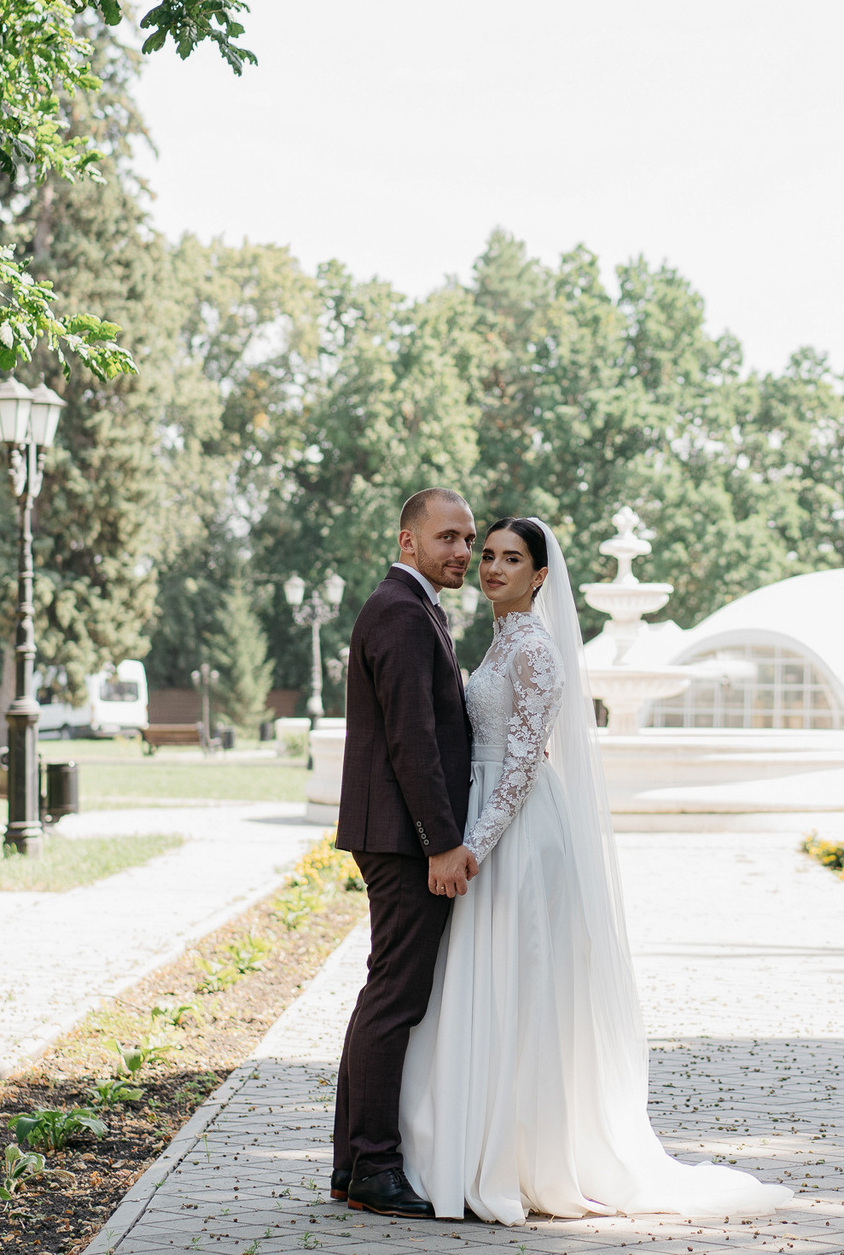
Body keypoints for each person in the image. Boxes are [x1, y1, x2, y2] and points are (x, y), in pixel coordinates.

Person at [395, 515, 793, 1224]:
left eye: (510, 559)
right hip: (487, 818)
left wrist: (474, 848)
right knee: (483, 980)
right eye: (485, 556)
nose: (490, 568)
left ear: (540, 575)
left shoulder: (537, 652)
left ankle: (525, 1157)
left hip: (515, 833)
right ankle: (475, 1142)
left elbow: (520, 766)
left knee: (520, 982)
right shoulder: (501, 643)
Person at [330, 487, 480, 1220]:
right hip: (401, 838)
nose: (462, 551)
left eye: (469, 539)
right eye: (447, 537)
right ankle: (376, 1169)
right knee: (396, 998)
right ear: (408, 540)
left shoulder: (413, 608)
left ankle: (352, 1166)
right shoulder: (399, 611)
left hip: (393, 832)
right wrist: (443, 843)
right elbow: (411, 741)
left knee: (382, 993)